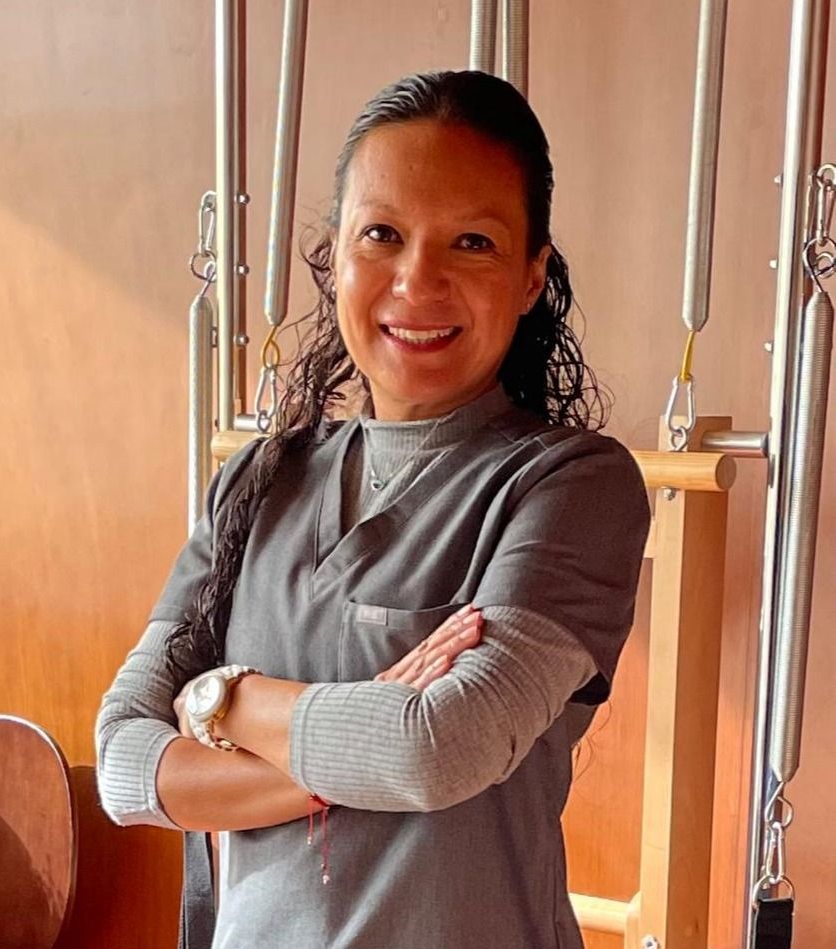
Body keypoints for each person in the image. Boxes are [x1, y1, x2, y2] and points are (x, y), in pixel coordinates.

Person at [96, 70, 651, 949]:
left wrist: (220, 701)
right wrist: (356, 745)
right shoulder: (256, 482)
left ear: (530, 276)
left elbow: (435, 750)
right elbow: (124, 765)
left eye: (472, 242)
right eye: (382, 234)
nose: (417, 279)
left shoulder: (572, 486)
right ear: (336, 255)